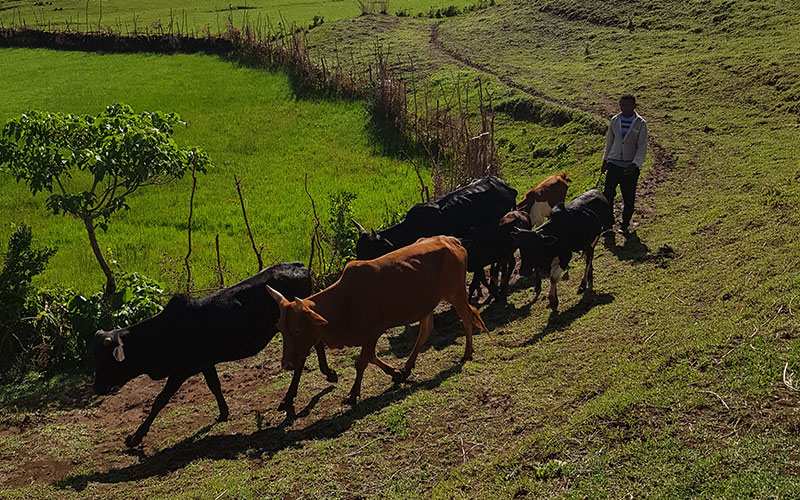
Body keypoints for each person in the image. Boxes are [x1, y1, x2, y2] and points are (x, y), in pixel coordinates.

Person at [602, 94, 648, 235]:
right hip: (614, 164)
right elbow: (609, 141)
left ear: (634, 106)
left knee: (628, 198)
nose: (624, 108)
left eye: (627, 105)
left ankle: (625, 223)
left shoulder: (640, 123)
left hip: (630, 168)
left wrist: (635, 165)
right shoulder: (615, 120)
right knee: (607, 195)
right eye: (622, 105)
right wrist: (605, 160)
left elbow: (642, 147)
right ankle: (608, 223)